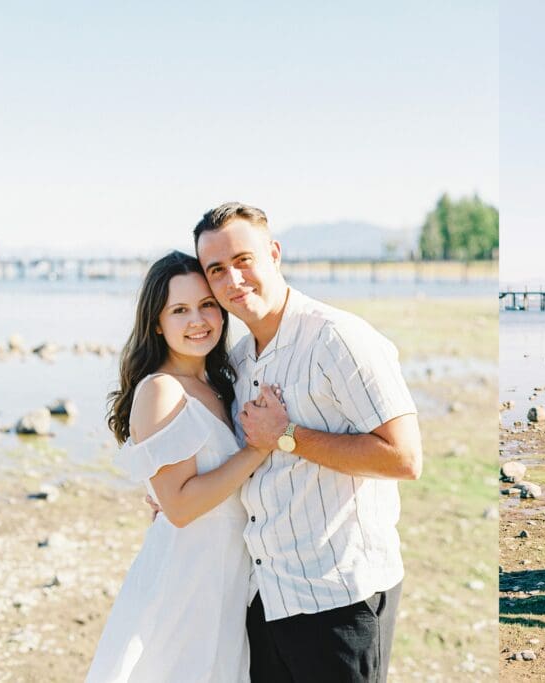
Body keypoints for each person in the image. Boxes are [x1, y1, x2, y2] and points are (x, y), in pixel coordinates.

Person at [193, 202, 422, 682]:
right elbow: (245, 460)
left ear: (274, 254)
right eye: (216, 270)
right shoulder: (238, 361)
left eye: (243, 260)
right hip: (268, 597)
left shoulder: (338, 338)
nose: (233, 279)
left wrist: (289, 435)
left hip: (340, 598)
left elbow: (404, 457)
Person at [87, 251, 275, 682]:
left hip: (224, 578)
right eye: (180, 310)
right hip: (185, 580)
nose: (198, 320)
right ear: (157, 321)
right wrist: (258, 449)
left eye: (207, 305)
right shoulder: (161, 390)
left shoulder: (217, 384)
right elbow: (180, 507)